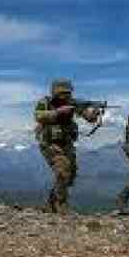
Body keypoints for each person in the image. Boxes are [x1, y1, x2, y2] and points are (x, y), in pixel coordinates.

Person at [34, 79, 100, 214]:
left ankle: (51, 204)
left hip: (66, 143)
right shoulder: (45, 102)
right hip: (50, 143)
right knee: (62, 172)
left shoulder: (72, 104)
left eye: (67, 93)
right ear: (55, 92)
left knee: (70, 175)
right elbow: (39, 116)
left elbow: (88, 117)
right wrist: (58, 112)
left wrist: (93, 114)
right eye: (62, 93)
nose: (65, 96)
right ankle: (61, 205)